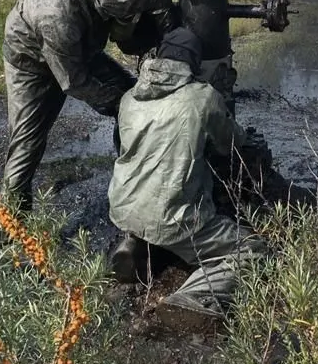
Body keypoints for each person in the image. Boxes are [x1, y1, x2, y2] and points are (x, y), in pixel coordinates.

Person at [107, 26, 267, 327]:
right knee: (252, 249)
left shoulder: (129, 98)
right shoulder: (202, 98)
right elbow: (228, 144)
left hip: (123, 208)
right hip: (176, 219)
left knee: (150, 209)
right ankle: (193, 296)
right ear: (192, 65)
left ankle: (134, 246)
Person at [1, 0, 176, 212]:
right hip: (29, 58)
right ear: (115, 17)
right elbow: (74, 82)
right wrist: (121, 103)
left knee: (130, 93)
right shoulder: (57, 19)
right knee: (27, 141)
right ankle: (12, 224)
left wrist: (169, 39)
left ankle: (136, 183)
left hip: (80, 45)